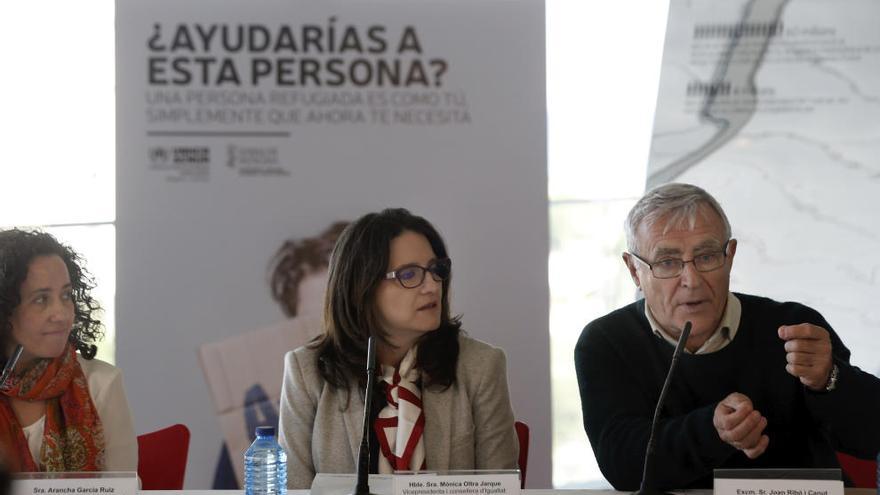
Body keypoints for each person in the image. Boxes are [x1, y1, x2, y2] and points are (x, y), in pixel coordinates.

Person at [574, 183, 880, 490]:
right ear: (634, 270)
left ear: (730, 256)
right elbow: (622, 465)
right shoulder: (606, 343)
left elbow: (871, 439)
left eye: (706, 257)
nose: (691, 281)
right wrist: (712, 431)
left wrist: (829, 380)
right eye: (667, 262)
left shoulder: (794, 327)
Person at [279, 208, 518, 489]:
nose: (432, 286)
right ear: (362, 287)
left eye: (436, 270)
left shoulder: (480, 366)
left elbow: (499, 488)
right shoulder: (307, 371)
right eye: (409, 274)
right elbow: (293, 489)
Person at [0, 229, 137, 472]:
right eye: (41, 299)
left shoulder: (101, 385)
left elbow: (122, 488)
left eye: (66, 295)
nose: (62, 314)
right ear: (5, 307)